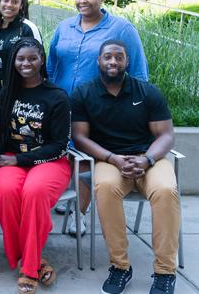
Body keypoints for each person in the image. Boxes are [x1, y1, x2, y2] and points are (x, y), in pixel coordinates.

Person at [71, 39, 178, 294]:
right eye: (107, 57)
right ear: (99, 61)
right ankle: (120, 267)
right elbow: (80, 137)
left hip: (148, 158)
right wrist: (113, 158)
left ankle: (165, 272)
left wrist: (147, 159)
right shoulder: (84, 93)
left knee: (166, 191)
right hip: (110, 159)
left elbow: (165, 135)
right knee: (105, 187)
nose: (113, 62)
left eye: (119, 57)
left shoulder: (147, 91)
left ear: (127, 61)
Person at [46, 0, 148, 235]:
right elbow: (51, 65)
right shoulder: (64, 27)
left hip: (99, 106)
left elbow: (138, 73)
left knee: (84, 158)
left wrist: (131, 107)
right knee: (64, 152)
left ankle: (78, 214)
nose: (83, 1)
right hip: (62, 103)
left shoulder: (122, 29)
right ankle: (72, 198)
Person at [0, 38, 71, 294]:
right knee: (6, 192)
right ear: (13, 61)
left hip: (50, 161)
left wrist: (19, 159)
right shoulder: (8, 92)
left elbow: (59, 145)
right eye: (21, 59)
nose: (26, 63)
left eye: (32, 58)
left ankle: (29, 269)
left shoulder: (56, 97)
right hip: (13, 158)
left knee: (34, 193)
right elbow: (0, 133)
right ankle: (30, 257)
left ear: (41, 60)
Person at [0, 0, 41, 113]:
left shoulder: (27, 28)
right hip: (0, 95)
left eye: (15, 1)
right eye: (6, 0)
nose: (9, 4)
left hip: (21, 95)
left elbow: (39, 62)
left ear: (21, 5)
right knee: (1, 130)